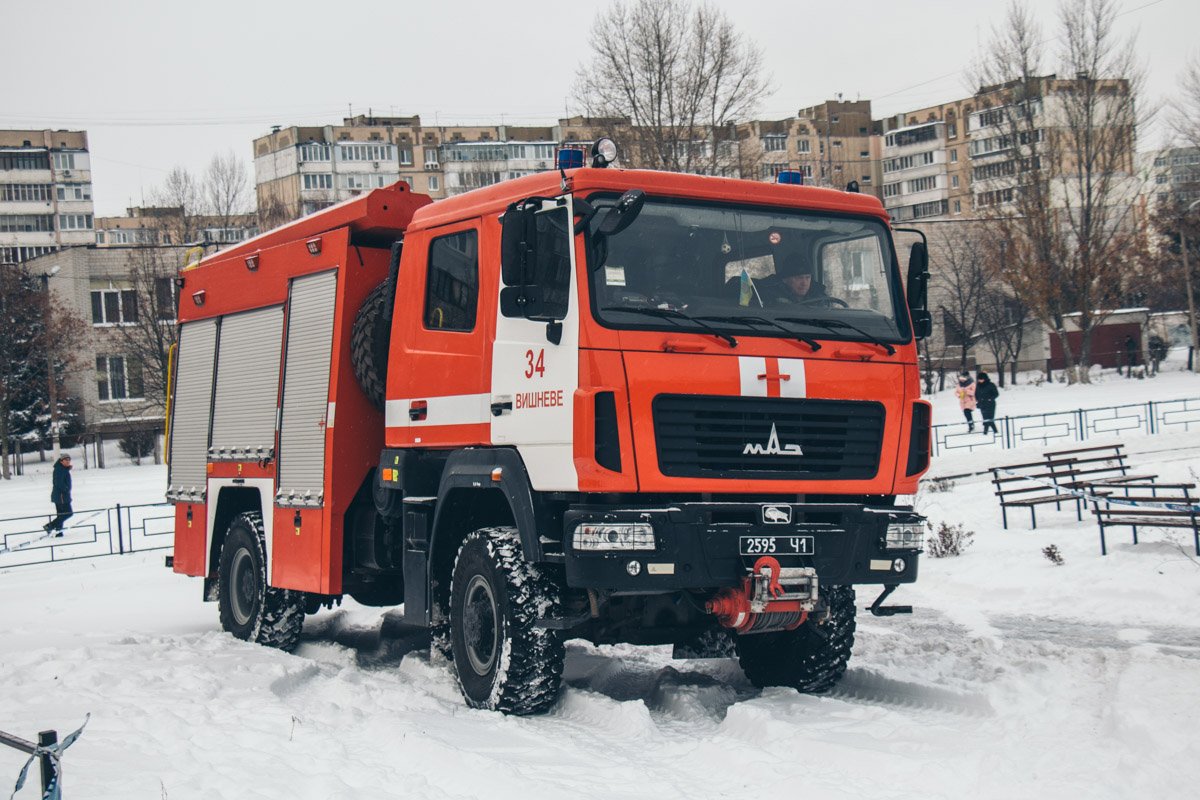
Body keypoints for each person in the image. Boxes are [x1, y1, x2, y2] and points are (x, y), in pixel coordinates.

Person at [761, 253, 828, 305]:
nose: (804, 283)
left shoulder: (820, 297)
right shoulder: (770, 297)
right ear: (785, 280)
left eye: (808, 277)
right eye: (799, 278)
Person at [44, 454, 73, 536]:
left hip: (62, 496)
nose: (68, 461)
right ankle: (50, 526)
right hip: (61, 496)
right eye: (66, 460)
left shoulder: (63, 469)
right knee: (68, 513)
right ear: (61, 461)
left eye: (69, 460)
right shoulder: (60, 469)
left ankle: (59, 532)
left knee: (61, 515)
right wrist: (66, 489)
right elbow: (58, 482)